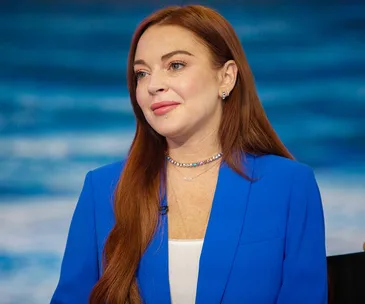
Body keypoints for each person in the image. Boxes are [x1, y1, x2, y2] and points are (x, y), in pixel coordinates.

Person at [51, 4, 327, 304]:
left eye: (176, 65)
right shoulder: (102, 188)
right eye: (142, 73)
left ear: (226, 78)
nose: (153, 85)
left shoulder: (290, 185)